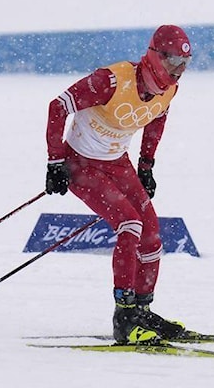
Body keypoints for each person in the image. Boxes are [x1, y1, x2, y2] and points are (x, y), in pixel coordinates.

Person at [44, 24, 193, 344]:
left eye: (185, 63)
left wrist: (146, 165)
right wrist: (55, 162)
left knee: (151, 232)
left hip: (117, 163)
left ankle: (141, 310)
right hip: (81, 164)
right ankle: (124, 317)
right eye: (172, 63)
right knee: (130, 223)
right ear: (154, 56)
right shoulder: (111, 80)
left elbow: (158, 118)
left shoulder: (169, 89)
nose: (178, 71)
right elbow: (58, 106)